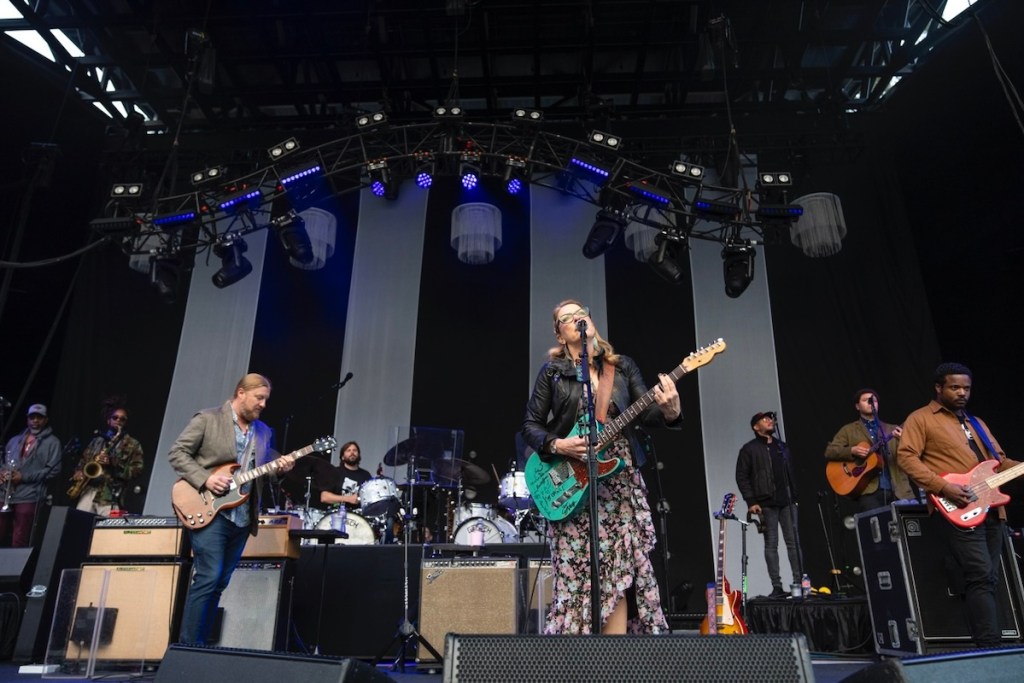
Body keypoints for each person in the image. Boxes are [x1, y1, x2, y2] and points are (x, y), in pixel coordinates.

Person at [520, 299, 681, 634]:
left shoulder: (621, 367)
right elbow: (531, 425)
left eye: (582, 313)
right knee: (577, 573)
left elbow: (646, 413)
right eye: (568, 317)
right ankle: (579, 651)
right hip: (572, 481)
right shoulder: (552, 372)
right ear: (560, 334)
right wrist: (558, 444)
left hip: (618, 482)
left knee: (617, 567)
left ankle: (613, 653)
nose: (578, 318)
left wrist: (670, 412)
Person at [896, 362, 1020, 648]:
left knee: (989, 578)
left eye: (966, 388)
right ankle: (990, 647)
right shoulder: (921, 419)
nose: (962, 393)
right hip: (958, 508)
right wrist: (944, 487)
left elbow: (999, 463)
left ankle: (987, 645)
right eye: (955, 387)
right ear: (938, 388)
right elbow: (906, 457)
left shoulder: (977, 423)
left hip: (992, 508)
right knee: (979, 574)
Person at [168, 373, 294, 645]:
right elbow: (177, 454)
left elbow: (264, 471)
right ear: (241, 393)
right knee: (209, 577)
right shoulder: (208, 418)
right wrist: (206, 479)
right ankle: (187, 649)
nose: (263, 404)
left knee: (220, 583)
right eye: (259, 398)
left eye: (266, 399)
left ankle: (200, 647)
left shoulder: (264, 431)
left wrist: (281, 469)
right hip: (209, 510)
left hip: (242, 516)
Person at [736, 411, 804, 599]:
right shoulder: (749, 449)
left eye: (770, 419)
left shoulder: (782, 446)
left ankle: (799, 584)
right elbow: (742, 476)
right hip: (766, 502)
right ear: (755, 427)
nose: (770, 421)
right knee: (771, 544)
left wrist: (794, 495)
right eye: (764, 419)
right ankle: (777, 586)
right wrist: (751, 501)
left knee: (793, 542)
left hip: (788, 501)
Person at [824, 388, 915, 511]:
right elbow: (830, 451)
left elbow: (912, 456)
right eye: (866, 400)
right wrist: (852, 450)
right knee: (877, 523)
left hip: (898, 490)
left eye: (874, 401)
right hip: (869, 492)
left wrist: (904, 440)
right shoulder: (849, 430)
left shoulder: (892, 429)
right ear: (857, 406)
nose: (871, 403)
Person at [0, 404, 62, 547]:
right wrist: (2, 472)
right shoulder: (14, 440)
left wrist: (23, 477)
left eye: (39, 417)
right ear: (27, 419)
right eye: (32, 417)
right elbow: (4, 462)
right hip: (5, 493)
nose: (35, 420)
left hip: (30, 495)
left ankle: (16, 562)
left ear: (46, 420)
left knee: (20, 537)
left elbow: (54, 470)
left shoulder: (53, 442)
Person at [70, 397, 145, 516]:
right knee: (79, 524)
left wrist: (112, 463)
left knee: (106, 528)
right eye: (115, 417)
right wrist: (79, 472)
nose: (118, 420)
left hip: (110, 496)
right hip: (88, 491)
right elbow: (83, 462)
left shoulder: (133, 444)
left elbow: (137, 471)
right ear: (108, 420)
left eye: (122, 419)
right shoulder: (97, 441)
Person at [318, 441, 372, 509]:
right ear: (342, 457)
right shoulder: (334, 472)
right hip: (337, 513)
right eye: (348, 450)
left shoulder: (365, 475)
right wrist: (348, 499)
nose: (352, 452)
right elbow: (324, 497)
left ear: (358, 455)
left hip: (359, 514)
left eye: (355, 450)